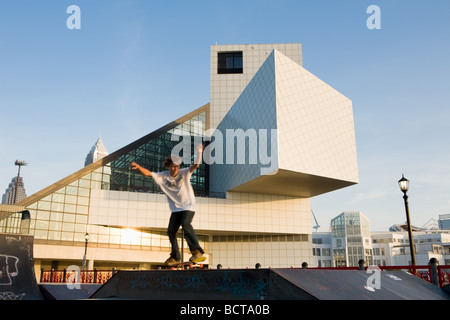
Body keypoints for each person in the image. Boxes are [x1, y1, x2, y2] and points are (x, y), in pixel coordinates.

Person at [130, 144, 205, 265]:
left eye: (177, 167)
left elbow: (195, 165)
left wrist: (200, 152)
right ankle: (175, 256)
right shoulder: (162, 176)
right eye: (173, 167)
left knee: (185, 224)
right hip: (176, 209)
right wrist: (138, 166)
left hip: (188, 206)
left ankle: (197, 251)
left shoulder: (184, 172)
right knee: (171, 231)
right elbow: (148, 173)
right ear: (169, 166)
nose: (175, 169)